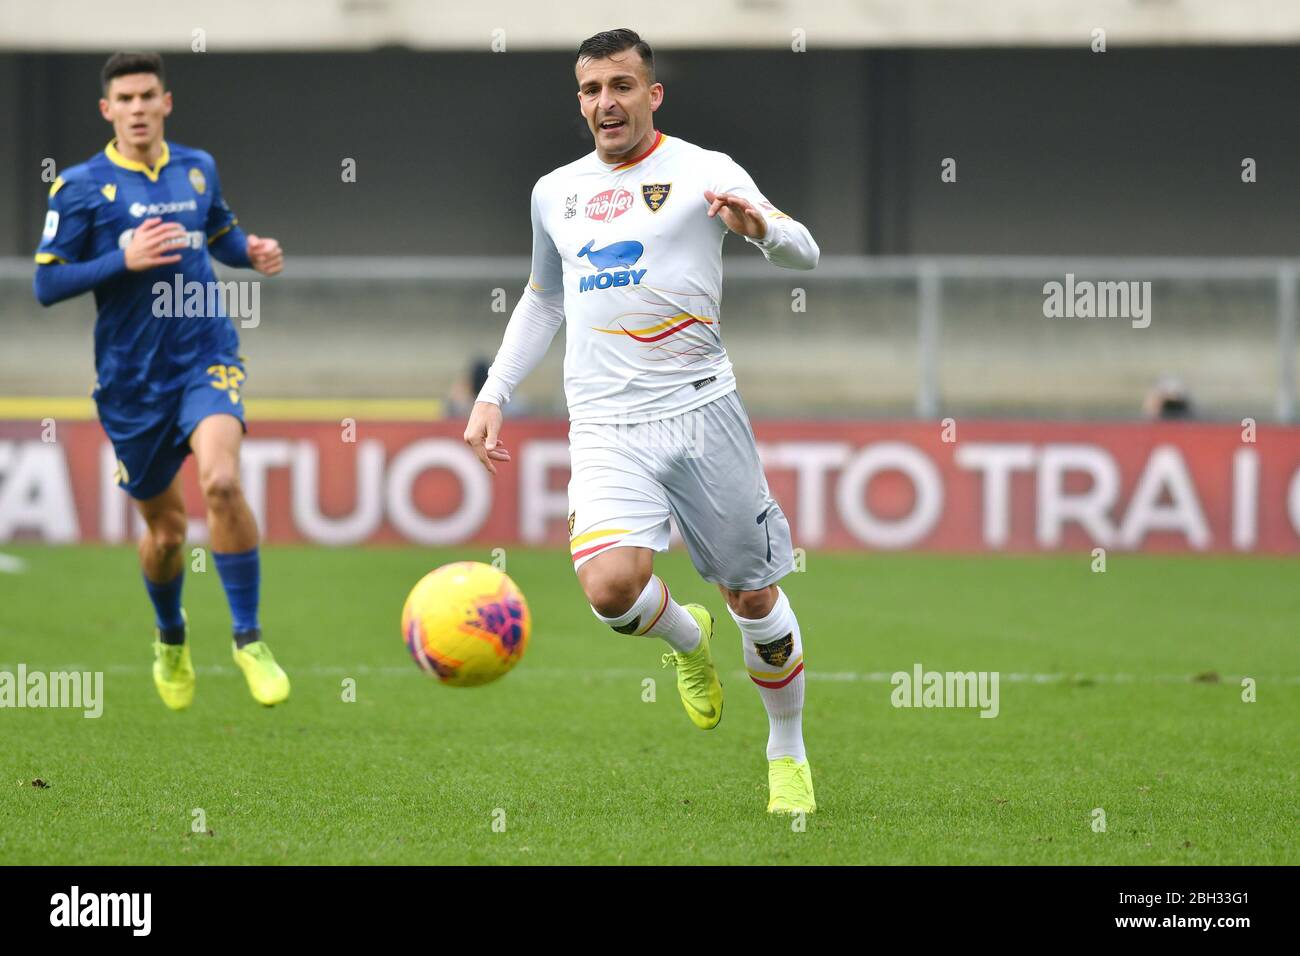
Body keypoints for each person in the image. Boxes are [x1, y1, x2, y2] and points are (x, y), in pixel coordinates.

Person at [463, 29, 820, 813]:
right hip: (604, 423)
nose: (605, 103)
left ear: (651, 94)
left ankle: (786, 751)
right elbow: (543, 297)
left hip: (699, 409)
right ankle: (689, 642)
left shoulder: (704, 170)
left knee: (754, 597)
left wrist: (761, 231)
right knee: (611, 591)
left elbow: (807, 251)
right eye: (591, 90)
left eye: (621, 86)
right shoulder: (553, 190)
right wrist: (494, 393)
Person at [33, 52, 289, 710]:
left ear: (166, 102)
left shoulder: (197, 168)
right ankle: (171, 637)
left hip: (207, 354)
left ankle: (248, 639)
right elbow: (46, 282)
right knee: (169, 534)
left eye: (149, 95)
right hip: (132, 384)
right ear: (107, 110)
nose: (139, 108)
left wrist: (251, 252)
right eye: (126, 98)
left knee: (223, 481)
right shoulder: (80, 187)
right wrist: (122, 258)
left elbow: (222, 235)